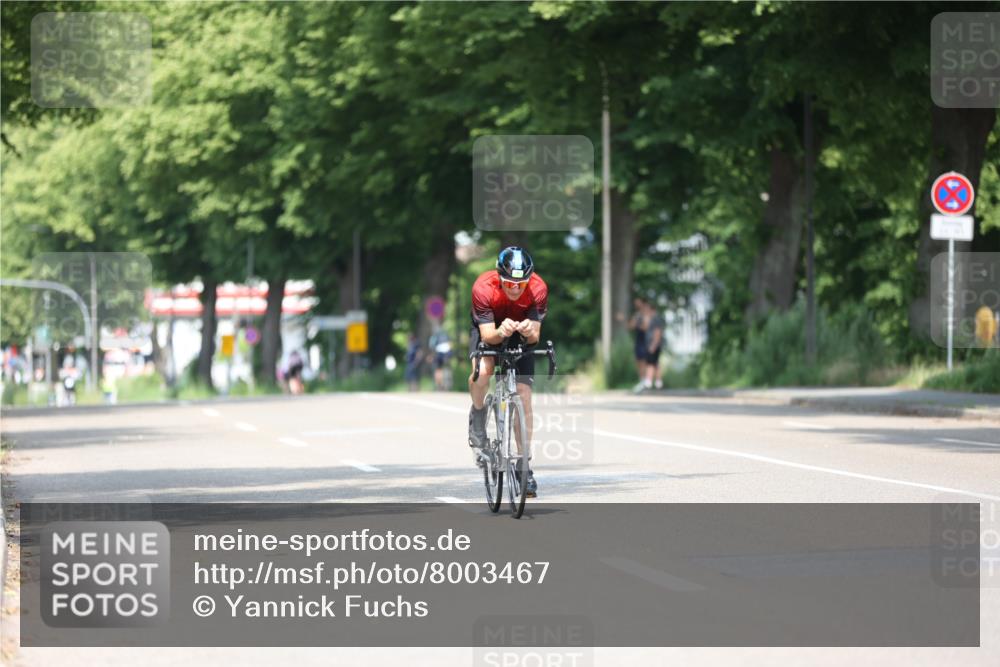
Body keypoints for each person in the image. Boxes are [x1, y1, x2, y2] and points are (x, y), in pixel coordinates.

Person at [467, 246, 548, 498]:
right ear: (499, 278)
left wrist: (526, 329)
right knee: (483, 371)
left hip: (519, 336)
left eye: (521, 284)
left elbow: (535, 334)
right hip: (490, 329)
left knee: (523, 396)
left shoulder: (538, 289)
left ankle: (524, 465)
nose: (515, 288)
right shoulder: (483, 288)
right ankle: (478, 412)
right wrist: (501, 332)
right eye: (509, 283)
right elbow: (488, 335)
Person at [640, 300, 665, 390]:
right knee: (655, 363)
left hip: (654, 345)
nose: (645, 311)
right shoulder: (651, 319)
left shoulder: (656, 319)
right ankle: (658, 382)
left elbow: (657, 333)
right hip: (652, 344)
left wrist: (653, 345)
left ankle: (648, 382)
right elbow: (644, 328)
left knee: (650, 363)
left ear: (651, 309)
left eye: (647, 309)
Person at [628, 297, 650, 390]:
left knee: (645, 361)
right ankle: (642, 381)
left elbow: (646, 327)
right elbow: (630, 326)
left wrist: (637, 324)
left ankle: (647, 382)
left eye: (638, 302)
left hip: (646, 340)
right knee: (638, 361)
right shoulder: (637, 315)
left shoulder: (646, 314)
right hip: (639, 340)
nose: (636, 304)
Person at [428, 327, 452, 391]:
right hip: (447, 353)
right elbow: (450, 345)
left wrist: (431, 355)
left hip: (438, 354)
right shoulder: (446, 335)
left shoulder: (434, 336)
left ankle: (439, 385)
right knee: (447, 368)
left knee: (438, 369)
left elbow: (431, 346)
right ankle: (447, 384)